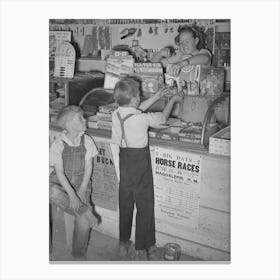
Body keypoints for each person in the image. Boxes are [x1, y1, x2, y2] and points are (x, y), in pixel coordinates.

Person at [111, 77, 183, 261]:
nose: (140, 99)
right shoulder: (141, 119)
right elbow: (162, 118)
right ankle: (142, 248)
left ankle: (123, 243)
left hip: (124, 165)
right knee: (144, 206)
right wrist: (173, 100)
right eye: (139, 96)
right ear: (135, 99)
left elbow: (136, 109)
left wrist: (158, 95)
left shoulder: (116, 114)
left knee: (126, 206)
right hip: (140, 166)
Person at [49, 105, 99, 260]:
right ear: (69, 124)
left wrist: (82, 190)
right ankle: (85, 211)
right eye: (80, 117)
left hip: (82, 183)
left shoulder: (87, 140)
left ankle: (78, 256)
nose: (85, 119)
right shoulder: (58, 144)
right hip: (61, 183)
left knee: (83, 223)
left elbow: (89, 167)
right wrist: (72, 195)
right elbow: (60, 172)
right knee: (48, 190)